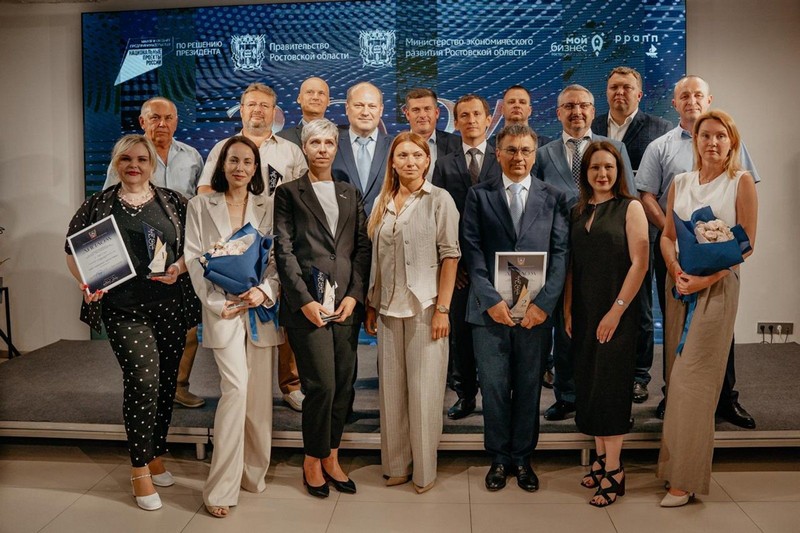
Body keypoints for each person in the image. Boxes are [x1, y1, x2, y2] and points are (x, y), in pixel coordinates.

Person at [65, 134, 200, 511]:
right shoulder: (97, 205)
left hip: (170, 306)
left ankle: (155, 453)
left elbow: (193, 248)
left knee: (166, 383)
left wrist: (178, 268)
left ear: (152, 164)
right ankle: (139, 468)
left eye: (141, 159)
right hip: (123, 309)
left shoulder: (175, 201)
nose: (134, 165)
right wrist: (85, 281)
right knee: (143, 380)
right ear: (116, 163)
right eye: (126, 159)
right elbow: (72, 251)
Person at [636, 75, 761, 426]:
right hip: (676, 256)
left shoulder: (730, 142)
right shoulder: (660, 147)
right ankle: (673, 395)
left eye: (698, 95)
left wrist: (714, 253)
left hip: (721, 260)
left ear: (708, 100)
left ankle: (725, 399)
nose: (691, 100)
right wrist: (676, 237)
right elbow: (647, 194)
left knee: (719, 333)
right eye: (685, 95)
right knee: (675, 328)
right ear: (674, 103)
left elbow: (742, 199)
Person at [657, 110, 757, 507]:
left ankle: (686, 481)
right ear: (695, 141)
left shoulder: (741, 181)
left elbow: (746, 245)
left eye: (720, 136)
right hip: (680, 284)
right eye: (705, 136)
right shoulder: (680, 182)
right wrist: (677, 269)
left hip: (717, 287)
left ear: (732, 142)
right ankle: (671, 468)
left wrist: (704, 279)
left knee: (694, 383)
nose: (712, 142)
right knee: (675, 377)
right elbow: (667, 236)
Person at [462, 124, 569, 492]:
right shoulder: (478, 195)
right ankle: (498, 458)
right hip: (489, 313)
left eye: (525, 150)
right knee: (493, 387)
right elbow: (472, 251)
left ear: (534, 154)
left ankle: (523, 458)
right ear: (498, 153)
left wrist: (544, 305)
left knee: (528, 386)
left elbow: (560, 255)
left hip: (534, 315)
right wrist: (491, 301)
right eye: (511, 150)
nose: (518, 157)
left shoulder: (553, 197)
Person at [184, 136, 284, 518]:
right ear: (222, 165)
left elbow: (276, 259)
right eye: (233, 160)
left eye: (247, 161)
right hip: (223, 310)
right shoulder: (199, 205)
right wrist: (215, 302)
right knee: (236, 388)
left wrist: (265, 291)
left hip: (259, 308)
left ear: (256, 168)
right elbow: (194, 259)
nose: (240, 168)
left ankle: (252, 473)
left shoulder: (268, 205)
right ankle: (220, 488)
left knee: (257, 397)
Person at [274, 119, 372, 498]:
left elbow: (361, 248)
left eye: (329, 143)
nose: (322, 149)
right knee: (321, 385)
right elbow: (284, 251)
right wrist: (304, 301)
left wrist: (354, 296)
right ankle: (312, 460)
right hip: (308, 306)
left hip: (345, 305)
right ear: (304, 146)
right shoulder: (289, 193)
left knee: (344, 384)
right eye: (315, 142)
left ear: (336, 147)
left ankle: (332, 455)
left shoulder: (350, 192)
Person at [198, 82, 307, 412]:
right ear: (242, 109)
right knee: (240, 314)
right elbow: (205, 190)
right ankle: (239, 388)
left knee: (283, 312)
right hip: (235, 249)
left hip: (279, 242)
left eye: (264, 105)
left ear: (274, 112)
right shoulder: (223, 148)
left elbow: (303, 197)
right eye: (251, 104)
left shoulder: (290, 151)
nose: (258, 110)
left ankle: (290, 384)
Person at [364, 132, 460, 494]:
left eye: (416, 155)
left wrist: (443, 310)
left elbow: (450, 256)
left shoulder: (439, 199)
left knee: (424, 393)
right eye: (402, 155)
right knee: (392, 394)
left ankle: (424, 471)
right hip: (388, 310)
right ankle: (396, 466)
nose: (409, 161)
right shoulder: (382, 201)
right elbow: (377, 258)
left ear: (427, 160)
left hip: (426, 308)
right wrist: (371, 303)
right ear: (392, 162)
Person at [533, 84, 635, 422]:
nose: (576, 112)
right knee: (566, 328)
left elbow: (630, 199)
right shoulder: (543, 154)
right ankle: (567, 394)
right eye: (569, 106)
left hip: (606, 252)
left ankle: (611, 393)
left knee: (609, 327)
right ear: (558, 113)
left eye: (583, 106)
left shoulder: (615, 148)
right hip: (561, 252)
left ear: (593, 111)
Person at [102, 96, 206, 408]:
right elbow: (108, 206)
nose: (162, 124)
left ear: (176, 121)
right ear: (142, 122)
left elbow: (202, 204)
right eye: (155, 118)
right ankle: (150, 386)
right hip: (138, 256)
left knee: (187, 326)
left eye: (168, 118)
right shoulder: (130, 157)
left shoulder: (192, 156)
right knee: (146, 325)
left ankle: (178, 386)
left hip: (181, 252)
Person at [564, 141, 649, 507]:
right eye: (595, 167)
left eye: (609, 167)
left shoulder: (631, 207)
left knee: (611, 387)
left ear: (619, 171)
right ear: (585, 173)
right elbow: (572, 266)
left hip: (617, 312)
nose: (602, 173)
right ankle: (600, 459)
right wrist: (568, 309)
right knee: (591, 385)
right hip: (584, 313)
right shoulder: (578, 211)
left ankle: (614, 469)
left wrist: (616, 311)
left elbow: (640, 263)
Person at [592, 67, 674, 405]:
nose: (620, 93)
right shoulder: (594, 126)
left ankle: (639, 375)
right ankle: (602, 367)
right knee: (603, 298)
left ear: (639, 94)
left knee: (641, 306)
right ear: (606, 93)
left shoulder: (659, 129)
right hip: (602, 231)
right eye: (614, 87)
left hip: (646, 229)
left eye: (627, 87)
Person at [432, 93, 502, 420]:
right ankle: (465, 394)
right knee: (460, 334)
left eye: (477, 114)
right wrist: (452, 264)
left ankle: (496, 395)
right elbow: (438, 216)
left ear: (489, 119)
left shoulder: (503, 157)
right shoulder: (444, 164)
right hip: (457, 266)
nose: (471, 120)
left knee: (494, 334)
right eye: (464, 115)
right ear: (456, 122)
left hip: (496, 265)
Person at [332, 81, 393, 215]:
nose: (365, 112)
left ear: (381, 110)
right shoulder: (330, 144)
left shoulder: (395, 147)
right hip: (340, 225)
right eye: (359, 105)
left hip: (384, 225)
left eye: (372, 106)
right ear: (347, 108)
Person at [402, 87, 460, 180]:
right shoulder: (395, 146)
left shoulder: (457, 144)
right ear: (407, 114)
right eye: (416, 110)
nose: (422, 115)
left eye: (427, 109)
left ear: (436, 113)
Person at [277, 76, 331, 149]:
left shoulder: (340, 138)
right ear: (299, 98)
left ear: (328, 101)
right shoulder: (282, 139)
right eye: (309, 92)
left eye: (321, 93)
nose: (315, 97)